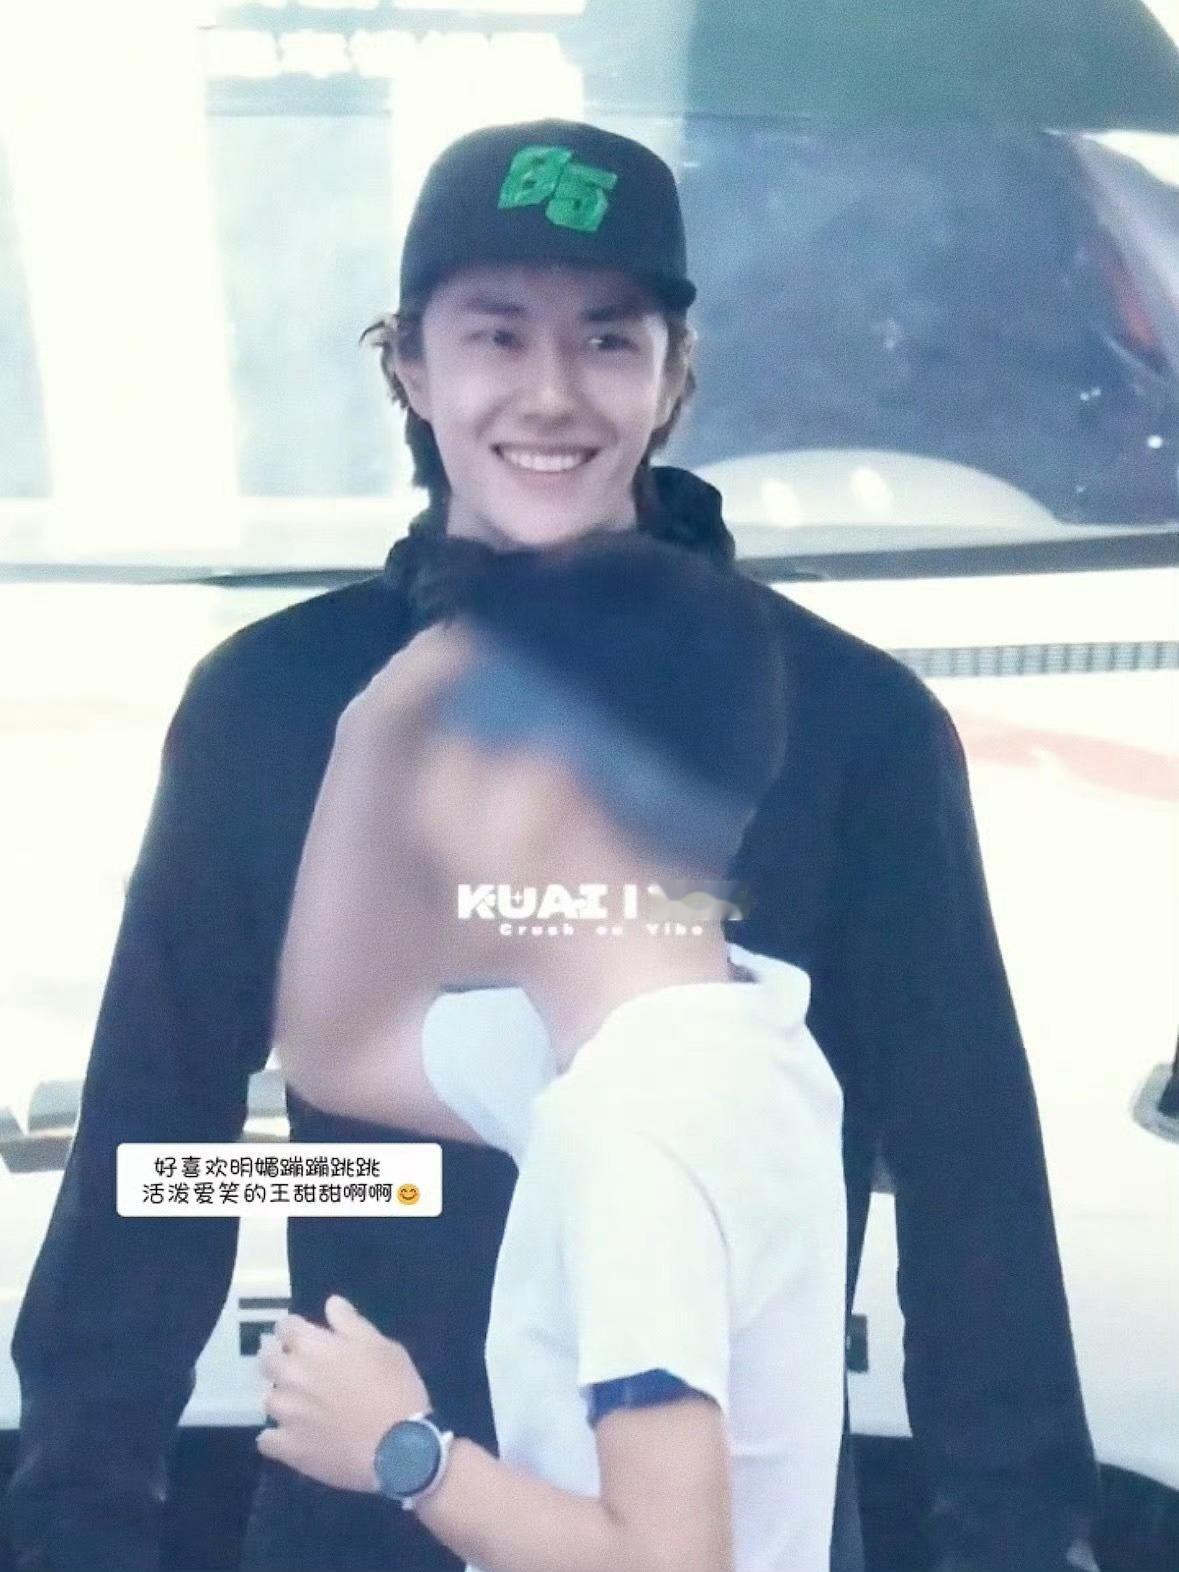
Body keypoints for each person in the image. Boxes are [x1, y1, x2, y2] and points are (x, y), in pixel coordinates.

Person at [7, 117, 1101, 1572]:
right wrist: (79, 1507)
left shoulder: (847, 720)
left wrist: (1018, 1537)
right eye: (495, 333)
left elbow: (969, 1183)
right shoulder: (270, 705)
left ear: (675, 371)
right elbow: (165, 1141)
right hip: (361, 1527)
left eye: (605, 338)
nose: (549, 392)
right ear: (407, 364)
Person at [256, 533, 848, 1572]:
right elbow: (332, 1047)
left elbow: (672, 1562)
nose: (408, 818)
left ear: (532, 792)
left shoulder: (631, 1124)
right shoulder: (734, 1035)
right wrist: (372, 724)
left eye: (435, 755)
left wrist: (404, 1451)